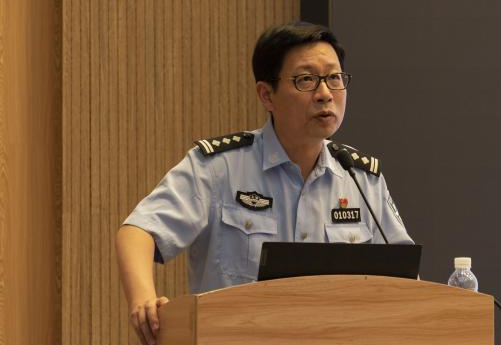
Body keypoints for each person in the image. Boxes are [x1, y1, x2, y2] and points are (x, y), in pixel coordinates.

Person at [115, 22, 413, 345]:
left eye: (334, 78)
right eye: (306, 80)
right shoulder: (219, 168)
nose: (325, 94)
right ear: (266, 95)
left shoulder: (361, 178)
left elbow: (407, 278)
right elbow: (138, 231)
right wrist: (143, 300)